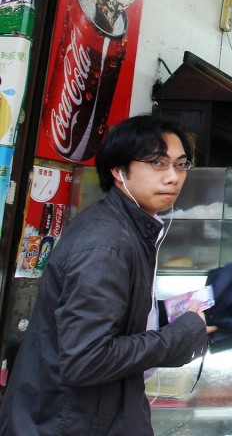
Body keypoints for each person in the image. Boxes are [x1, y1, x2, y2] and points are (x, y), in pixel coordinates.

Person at [0, 115, 213, 435]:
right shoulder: (107, 245)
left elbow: (113, 323)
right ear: (118, 170)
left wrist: (177, 316)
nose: (173, 177)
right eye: (157, 163)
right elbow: (86, 358)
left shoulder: (129, 227)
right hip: (72, 422)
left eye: (181, 164)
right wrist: (181, 335)